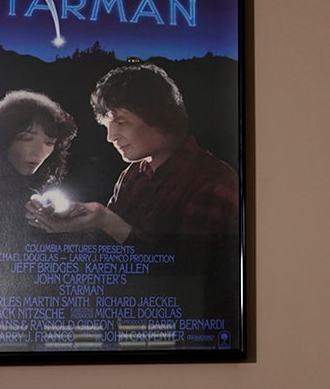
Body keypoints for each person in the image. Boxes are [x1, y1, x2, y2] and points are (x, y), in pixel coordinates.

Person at [25, 63, 240, 320]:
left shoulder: (214, 179)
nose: (111, 137)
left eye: (121, 122)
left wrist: (107, 220)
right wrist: (73, 225)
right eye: (106, 125)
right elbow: (112, 258)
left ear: (160, 116)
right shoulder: (133, 175)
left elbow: (189, 281)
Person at [0, 89, 78, 256]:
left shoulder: (39, 188)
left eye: (49, 142)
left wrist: (62, 227)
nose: (39, 152)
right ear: (5, 138)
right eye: (27, 138)